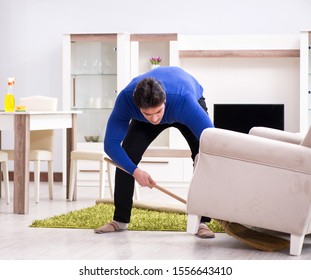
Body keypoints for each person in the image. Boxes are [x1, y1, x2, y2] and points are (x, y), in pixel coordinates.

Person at [95, 66, 215, 238]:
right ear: (137, 106)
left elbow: (212, 141)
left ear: (164, 100)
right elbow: (110, 144)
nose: (155, 119)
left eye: (158, 111)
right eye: (147, 114)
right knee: (127, 155)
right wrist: (135, 171)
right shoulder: (126, 99)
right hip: (155, 107)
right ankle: (120, 220)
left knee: (201, 155)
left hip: (183, 102)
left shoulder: (184, 101)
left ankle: (202, 222)